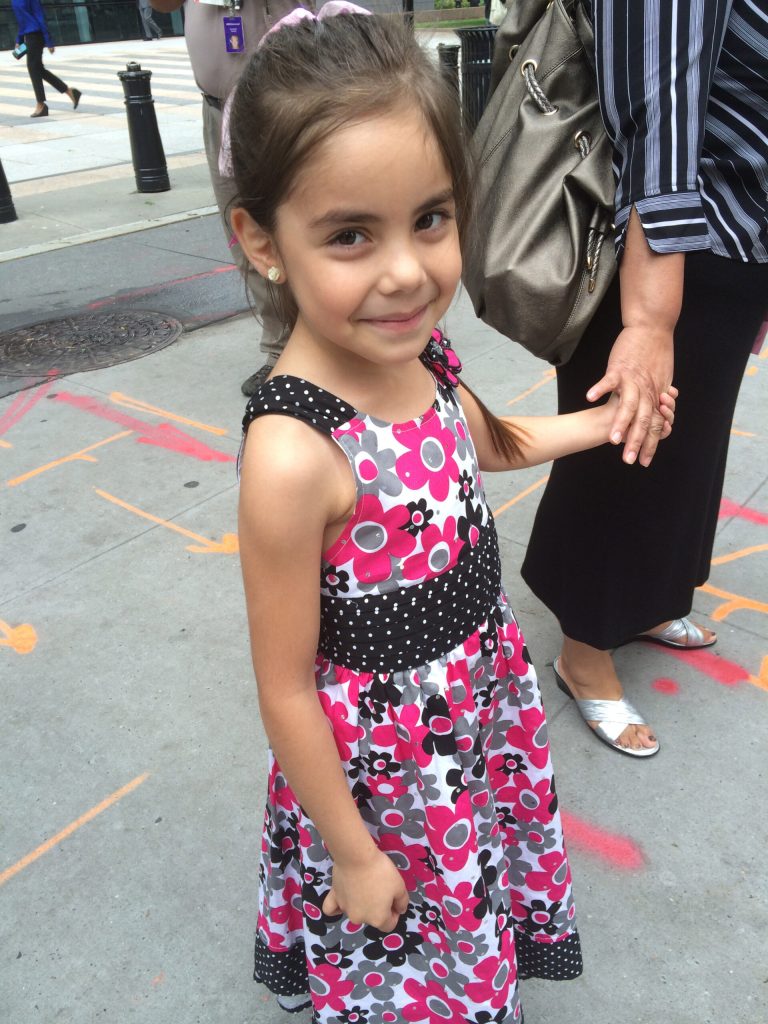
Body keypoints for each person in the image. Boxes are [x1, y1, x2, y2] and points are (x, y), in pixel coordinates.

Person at [231, 7, 676, 1020]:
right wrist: (351, 849)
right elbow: (286, 688)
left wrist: (610, 422)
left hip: (473, 703)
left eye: (431, 219)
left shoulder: (420, 359)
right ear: (260, 239)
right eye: (351, 234)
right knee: (403, 927)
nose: (407, 272)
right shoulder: (293, 452)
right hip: (387, 767)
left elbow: (494, 443)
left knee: (466, 883)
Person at [521, 0, 768, 757]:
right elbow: (655, 104)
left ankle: (649, 600)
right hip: (657, 249)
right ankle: (584, 650)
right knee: (621, 454)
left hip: (737, 240)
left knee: (687, 453)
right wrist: (651, 319)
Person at [149, 0, 299, 395]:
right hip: (217, 108)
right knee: (247, 236)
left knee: (300, 226)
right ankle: (282, 347)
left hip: (282, 102)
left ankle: (325, 338)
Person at [11, 0, 81, 118]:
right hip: (28, 36)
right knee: (38, 69)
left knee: (33, 68)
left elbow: (39, 16)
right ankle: (70, 92)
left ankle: (41, 104)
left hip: (36, 35)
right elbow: (21, 20)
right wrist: (19, 40)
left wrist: (49, 41)